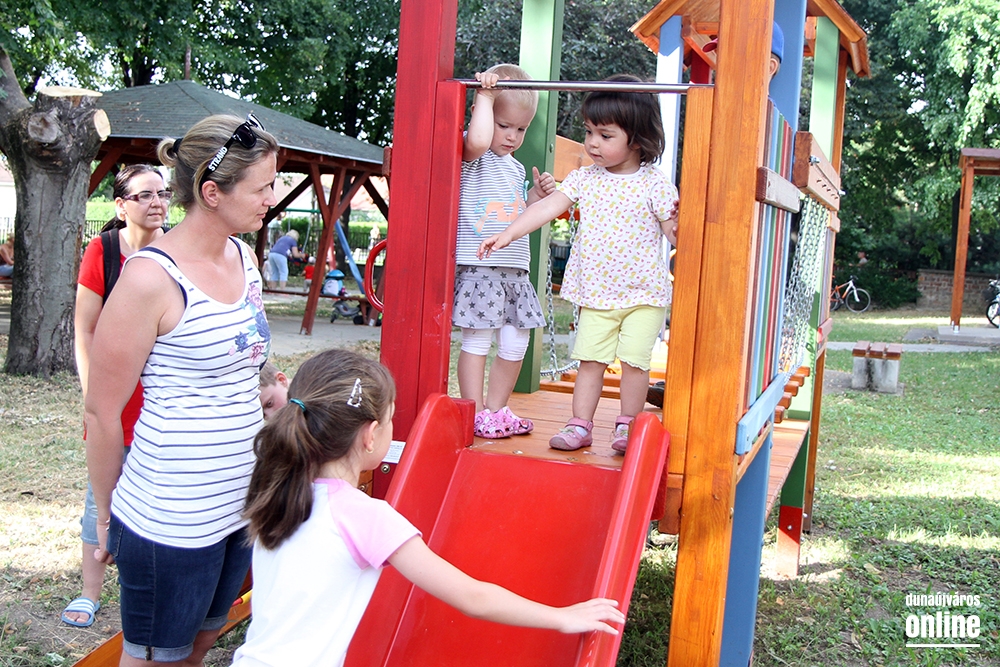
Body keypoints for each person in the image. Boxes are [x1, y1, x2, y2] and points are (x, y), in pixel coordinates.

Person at [231, 349, 625, 667]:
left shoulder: (279, 492)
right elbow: (472, 597)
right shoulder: (363, 517)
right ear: (371, 436)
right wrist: (562, 617)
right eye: (391, 419)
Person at [85, 112, 279, 666]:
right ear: (212, 193)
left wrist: (268, 385)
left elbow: (246, 355)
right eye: (262, 188)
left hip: (238, 505)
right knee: (154, 658)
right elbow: (101, 413)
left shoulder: (244, 257)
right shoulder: (150, 278)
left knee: (201, 643)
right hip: (169, 518)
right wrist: (106, 516)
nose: (271, 199)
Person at [479, 75, 679, 454]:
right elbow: (546, 207)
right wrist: (509, 232)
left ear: (637, 139)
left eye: (605, 135)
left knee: (635, 364)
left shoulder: (655, 184)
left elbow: (673, 231)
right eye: (589, 132)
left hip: (643, 296)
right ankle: (579, 425)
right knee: (590, 361)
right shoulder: (585, 178)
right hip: (596, 294)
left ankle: (627, 425)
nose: (592, 143)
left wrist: (682, 226)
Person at [62, 164, 168, 628]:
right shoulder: (103, 251)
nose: (157, 202)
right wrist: (94, 395)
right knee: (101, 492)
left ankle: (150, 586)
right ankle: (90, 592)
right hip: (115, 397)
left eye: (162, 193)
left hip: (164, 397)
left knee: (159, 494)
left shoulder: (175, 251)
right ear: (122, 205)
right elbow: (84, 328)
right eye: (145, 195)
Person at [454, 63, 556, 439]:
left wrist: (535, 197)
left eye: (521, 129)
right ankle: (474, 411)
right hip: (480, 266)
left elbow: (517, 213)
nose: (512, 136)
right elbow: (479, 140)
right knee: (478, 339)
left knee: (516, 341)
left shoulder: (514, 168)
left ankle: (495, 410)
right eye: (504, 125)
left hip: (515, 270)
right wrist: (484, 96)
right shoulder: (472, 154)